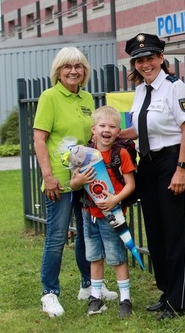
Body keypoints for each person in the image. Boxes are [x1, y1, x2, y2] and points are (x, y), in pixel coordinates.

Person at [33, 47, 116, 318]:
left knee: (86, 235)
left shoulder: (87, 98)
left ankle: (88, 285)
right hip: (61, 182)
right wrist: (48, 176)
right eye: (67, 66)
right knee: (57, 237)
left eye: (78, 66)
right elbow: (39, 139)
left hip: (87, 180)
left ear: (85, 71)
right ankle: (50, 293)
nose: (73, 71)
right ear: (58, 70)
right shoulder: (50, 97)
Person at [119, 33, 185, 320]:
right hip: (147, 164)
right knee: (156, 232)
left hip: (172, 161)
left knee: (175, 233)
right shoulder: (141, 91)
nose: (145, 64)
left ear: (161, 58)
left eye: (150, 58)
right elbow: (139, 130)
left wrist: (181, 169)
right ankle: (165, 293)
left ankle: (177, 301)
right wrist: (115, 135)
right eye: (139, 60)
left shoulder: (175, 87)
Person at [69, 106, 136, 318]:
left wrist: (115, 199)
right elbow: (73, 184)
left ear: (118, 132)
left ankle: (125, 300)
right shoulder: (83, 155)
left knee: (117, 258)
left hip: (113, 216)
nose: (107, 130)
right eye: (102, 126)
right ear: (93, 129)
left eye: (112, 126)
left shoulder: (121, 153)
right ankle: (95, 298)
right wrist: (78, 181)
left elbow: (130, 184)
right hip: (90, 216)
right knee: (94, 257)